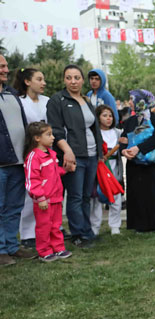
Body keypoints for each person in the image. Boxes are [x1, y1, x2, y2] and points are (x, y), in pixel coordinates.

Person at [47, 64, 103, 247]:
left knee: (86, 196)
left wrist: (100, 154)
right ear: (64, 79)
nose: (73, 81)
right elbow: (55, 130)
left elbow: (94, 128)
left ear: (82, 80)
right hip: (73, 155)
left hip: (92, 154)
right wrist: (67, 151)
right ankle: (79, 233)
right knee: (75, 196)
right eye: (69, 77)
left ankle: (87, 230)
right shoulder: (57, 100)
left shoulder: (86, 100)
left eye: (77, 77)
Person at [0, 55, 35, 265]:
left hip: (18, 162)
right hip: (1, 164)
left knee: (14, 207)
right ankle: (1, 249)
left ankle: (12, 246)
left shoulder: (12, 94)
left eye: (5, 66)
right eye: (1, 66)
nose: (6, 69)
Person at [120, 89, 155, 232]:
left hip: (152, 163)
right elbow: (123, 139)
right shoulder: (130, 121)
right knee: (138, 194)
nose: (129, 102)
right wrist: (124, 150)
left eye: (132, 99)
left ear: (141, 101)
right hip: (135, 164)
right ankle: (140, 225)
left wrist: (139, 148)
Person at [23, 122, 72, 262]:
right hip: (44, 201)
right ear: (37, 138)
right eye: (49, 135)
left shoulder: (51, 153)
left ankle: (58, 248)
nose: (53, 138)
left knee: (56, 225)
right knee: (44, 227)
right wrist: (40, 197)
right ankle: (44, 251)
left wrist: (65, 170)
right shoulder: (33, 157)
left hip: (56, 198)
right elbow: (32, 180)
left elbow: (54, 172)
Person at [14, 67, 49, 249]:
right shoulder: (19, 102)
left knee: (48, 190)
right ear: (27, 81)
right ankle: (27, 233)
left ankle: (51, 227)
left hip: (47, 153)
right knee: (31, 192)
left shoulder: (47, 101)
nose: (43, 83)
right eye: (39, 79)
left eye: (44, 79)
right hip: (29, 153)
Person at [89, 105, 123, 236]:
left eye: (110, 115)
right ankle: (95, 226)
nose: (108, 118)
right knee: (97, 198)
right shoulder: (95, 133)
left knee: (116, 197)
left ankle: (115, 225)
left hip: (114, 170)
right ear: (98, 117)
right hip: (100, 170)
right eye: (104, 115)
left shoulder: (117, 133)